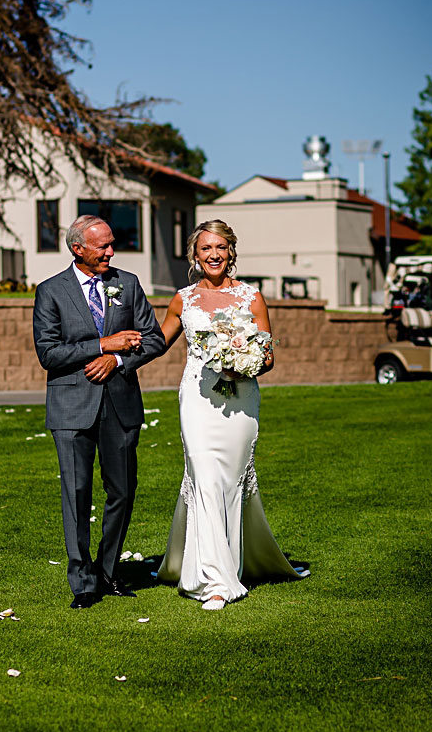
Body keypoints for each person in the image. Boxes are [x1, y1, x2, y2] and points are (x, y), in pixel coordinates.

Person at [154, 220, 304, 610]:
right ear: (195, 255)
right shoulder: (182, 299)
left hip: (241, 400)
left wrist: (247, 365)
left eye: (221, 247)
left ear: (231, 251)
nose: (214, 255)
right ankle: (217, 582)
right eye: (206, 248)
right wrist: (113, 351)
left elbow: (268, 356)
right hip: (198, 399)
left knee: (231, 482)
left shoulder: (251, 297)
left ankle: (232, 562)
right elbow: (156, 342)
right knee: (204, 477)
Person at [32, 215, 166, 609]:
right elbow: (49, 353)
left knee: (122, 490)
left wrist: (119, 362)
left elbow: (154, 338)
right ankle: (83, 582)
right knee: (76, 493)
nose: (111, 252)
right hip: (71, 408)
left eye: (111, 244)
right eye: (102, 246)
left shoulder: (127, 284)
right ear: (78, 249)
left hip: (120, 404)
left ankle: (108, 570)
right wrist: (103, 345)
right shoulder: (50, 291)